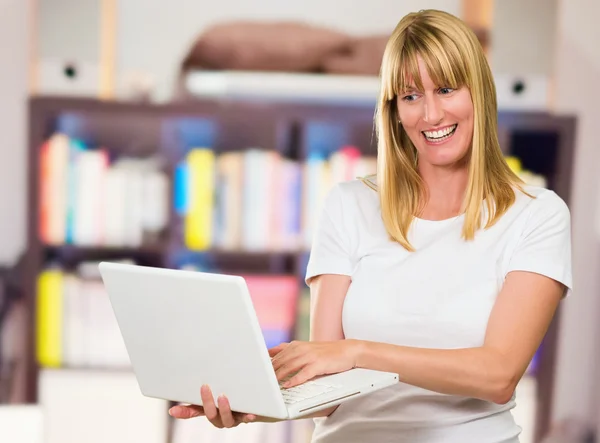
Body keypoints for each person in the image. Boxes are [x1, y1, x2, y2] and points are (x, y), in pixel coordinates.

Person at [169, 8, 572, 443]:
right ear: (394, 110)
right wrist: (253, 405)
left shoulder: (536, 215)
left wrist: (357, 353)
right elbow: (326, 395)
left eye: (447, 89)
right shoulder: (348, 205)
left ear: (480, 91)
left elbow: (497, 375)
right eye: (411, 96)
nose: (431, 114)